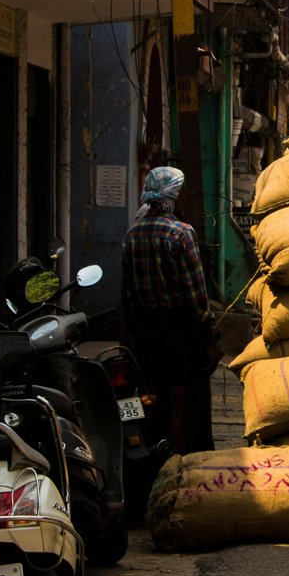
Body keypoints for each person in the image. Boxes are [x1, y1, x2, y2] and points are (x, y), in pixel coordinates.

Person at [121, 166, 221, 455]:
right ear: (174, 196)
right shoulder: (181, 234)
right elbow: (196, 297)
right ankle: (180, 462)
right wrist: (209, 338)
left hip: (145, 335)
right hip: (179, 335)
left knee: (151, 400)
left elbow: (126, 297)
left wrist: (128, 339)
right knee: (182, 404)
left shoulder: (132, 236)